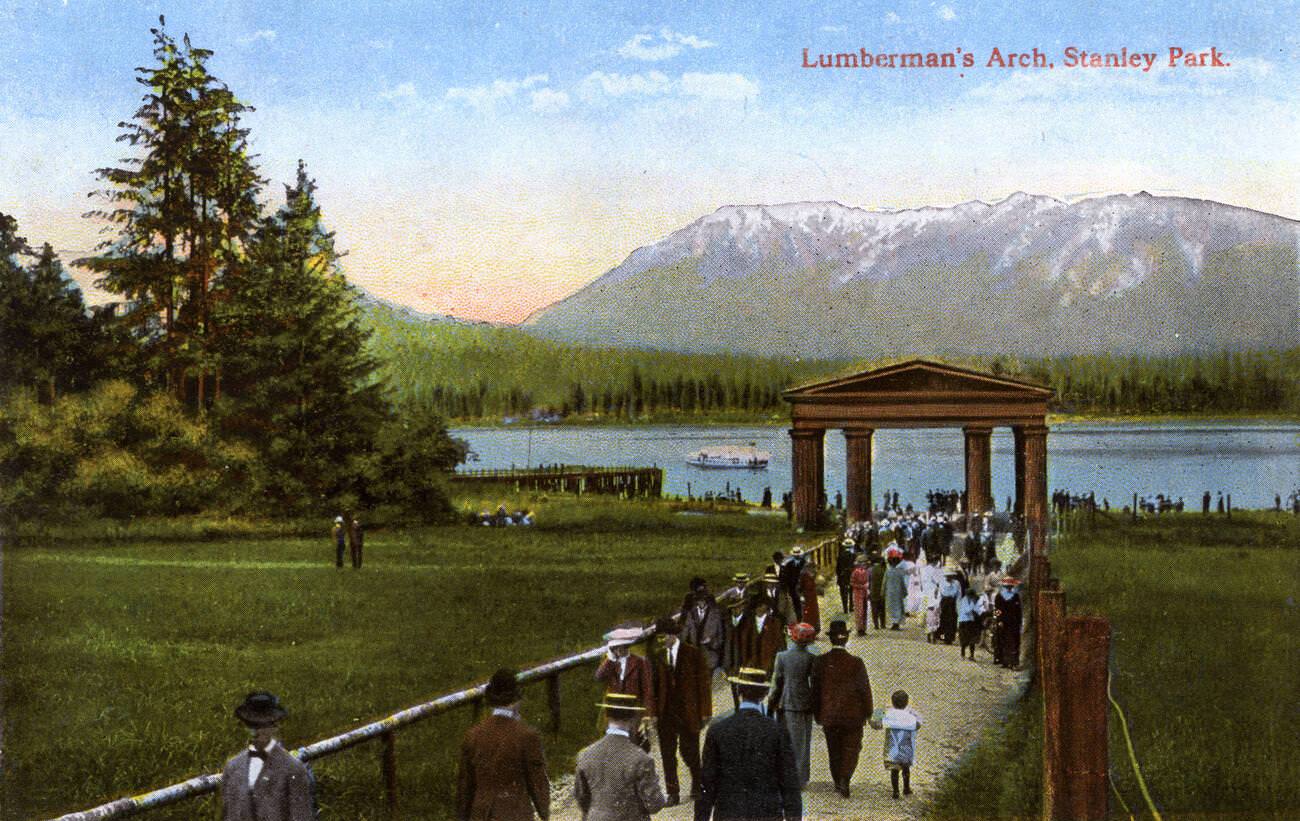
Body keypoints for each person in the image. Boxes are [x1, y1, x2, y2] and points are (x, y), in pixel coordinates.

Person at [695, 667, 802, 821]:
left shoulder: (717, 730)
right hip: (767, 813)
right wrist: (794, 817)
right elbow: (789, 781)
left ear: (739, 691)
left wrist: (701, 818)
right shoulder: (777, 731)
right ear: (764, 694)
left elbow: (707, 782)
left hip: (728, 813)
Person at [456, 668, 551, 821]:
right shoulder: (527, 736)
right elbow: (538, 782)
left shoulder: (472, 735)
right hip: (514, 813)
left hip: (481, 814)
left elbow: (465, 786)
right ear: (516, 700)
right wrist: (544, 814)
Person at [221, 691, 317, 821]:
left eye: (261, 725)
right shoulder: (232, 768)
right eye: (250, 725)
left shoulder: (293, 769)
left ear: (275, 725)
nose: (255, 732)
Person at [574, 693, 666, 821]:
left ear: (606, 716)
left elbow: (581, 797)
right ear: (633, 718)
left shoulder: (585, 754)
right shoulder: (641, 759)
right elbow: (655, 804)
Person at [650, 617, 712, 805]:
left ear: (672, 635)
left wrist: (705, 711)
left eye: (663, 637)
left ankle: (697, 783)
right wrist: (652, 713)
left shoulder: (692, 653)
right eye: (658, 638)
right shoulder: (657, 656)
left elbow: (703, 683)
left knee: (690, 750)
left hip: (688, 711)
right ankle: (673, 792)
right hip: (666, 713)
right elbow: (653, 688)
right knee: (667, 753)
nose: (661, 641)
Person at [811, 620, 872, 798]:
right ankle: (845, 778)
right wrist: (868, 712)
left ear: (831, 640)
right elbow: (864, 690)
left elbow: (815, 691)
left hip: (830, 715)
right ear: (846, 639)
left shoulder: (820, 661)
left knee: (834, 748)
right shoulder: (856, 663)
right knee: (851, 747)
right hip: (853, 716)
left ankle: (838, 780)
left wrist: (817, 713)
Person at [768, 623, 818, 788]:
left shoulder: (782, 657)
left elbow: (777, 682)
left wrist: (771, 702)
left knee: (787, 741)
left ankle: (787, 776)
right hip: (805, 703)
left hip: (787, 702)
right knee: (803, 742)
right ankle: (800, 777)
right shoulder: (811, 659)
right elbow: (814, 683)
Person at [870, 690, 922, 801]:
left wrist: (880, 711)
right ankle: (906, 788)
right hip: (906, 748)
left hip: (892, 749)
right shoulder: (910, 715)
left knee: (894, 771)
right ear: (907, 702)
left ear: (892, 702)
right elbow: (918, 725)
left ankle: (895, 791)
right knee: (906, 769)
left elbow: (876, 723)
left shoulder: (889, 714)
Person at [740, 591, 787, 675]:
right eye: (757, 605)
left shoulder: (774, 623)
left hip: (768, 666)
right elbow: (743, 644)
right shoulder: (748, 622)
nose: (759, 608)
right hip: (750, 666)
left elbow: (780, 644)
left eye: (762, 605)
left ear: (767, 607)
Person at [682, 585, 725, 674]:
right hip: (695, 656)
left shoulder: (716, 614)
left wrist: (712, 643)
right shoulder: (691, 614)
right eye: (699, 600)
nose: (701, 602)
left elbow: (720, 636)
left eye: (703, 600)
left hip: (710, 656)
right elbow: (685, 632)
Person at [992, 577, 1023, 670]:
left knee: (1014, 641)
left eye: (1010, 586)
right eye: (1007, 586)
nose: (1009, 587)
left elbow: (1019, 610)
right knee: (1003, 641)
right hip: (1003, 621)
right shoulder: (999, 596)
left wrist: (1020, 621)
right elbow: (997, 610)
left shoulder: (1016, 596)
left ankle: (1014, 662)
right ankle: (1004, 661)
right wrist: (998, 620)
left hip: (1014, 622)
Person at [957, 585, 987, 660]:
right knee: (964, 639)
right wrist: (973, 605)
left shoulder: (974, 600)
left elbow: (977, 610)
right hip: (964, 621)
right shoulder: (964, 600)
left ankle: (972, 655)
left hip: (971, 622)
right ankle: (962, 654)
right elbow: (967, 611)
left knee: (972, 640)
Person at [882, 550, 908, 630]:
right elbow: (902, 583)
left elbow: (884, 583)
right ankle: (896, 623)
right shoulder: (900, 572)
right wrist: (905, 592)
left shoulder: (887, 572)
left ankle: (894, 622)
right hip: (898, 592)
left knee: (891, 607)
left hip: (889, 592)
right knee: (898, 607)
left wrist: (882, 592)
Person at [937, 569, 961, 644]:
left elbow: (959, 594)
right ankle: (940, 635)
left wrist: (958, 605)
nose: (949, 578)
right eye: (948, 576)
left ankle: (949, 638)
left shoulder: (956, 583)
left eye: (951, 576)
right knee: (944, 619)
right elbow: (941, 593)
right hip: (945, 601)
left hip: (952, 602)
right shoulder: (942, 582)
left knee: (952, 620)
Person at [797, 561, 820, 635]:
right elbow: (799, 587)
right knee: (807, 614)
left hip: (812, 596)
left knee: (814, 613)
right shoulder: (803, 575)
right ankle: (807, 629)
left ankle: (815, 629)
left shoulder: (813, 574)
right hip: (806, 597)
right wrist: (801, 596)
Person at [849, 554, 870, 636]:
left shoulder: (865, 572)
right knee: (859, 611)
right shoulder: (855, 572)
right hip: (858, 593)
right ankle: (860, 628)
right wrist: (862, 586)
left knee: (864, 610)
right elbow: (852, 583)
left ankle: (863, 628)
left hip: (864, 593)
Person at [835, 539, 856, 613]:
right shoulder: (854, 556)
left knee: (843, 593)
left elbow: (837, 568)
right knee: (851, 592)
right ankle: (851, 606)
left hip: (842, 576)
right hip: (851, 576)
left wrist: (838, 576)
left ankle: (845, 608)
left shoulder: (840, 556)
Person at [868, 555, 887, 631]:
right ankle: (883, 624)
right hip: (882, 591)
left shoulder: (870, 570)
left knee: (874, 609)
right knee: (882, 608)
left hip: (873, 591)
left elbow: (868, 581)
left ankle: (876, 625)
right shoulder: (883, 569)